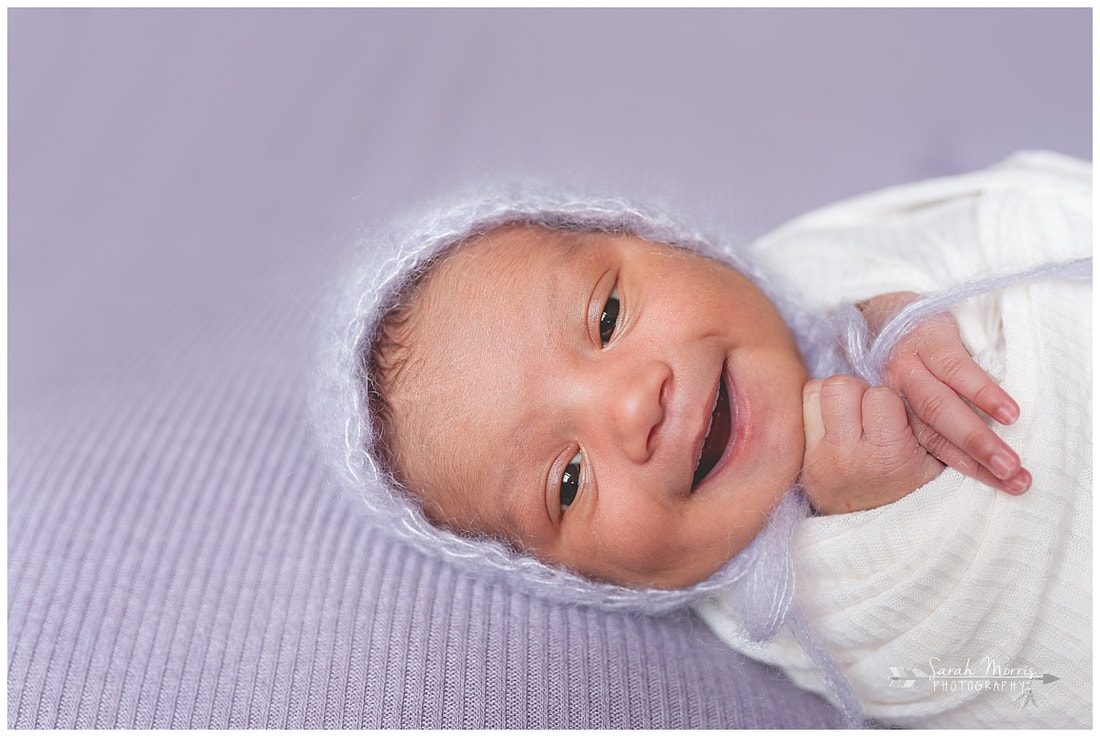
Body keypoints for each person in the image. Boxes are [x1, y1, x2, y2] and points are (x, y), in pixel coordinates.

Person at [313, 151, 1090, 727]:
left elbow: (1020, 214)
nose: (630, 408)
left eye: (607, 316)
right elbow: (973, 675)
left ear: (670, 243)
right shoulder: (784, 605)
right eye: (567, 481)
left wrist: (899, 311)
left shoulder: (813, 257)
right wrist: (884, 511)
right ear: (594, 584)